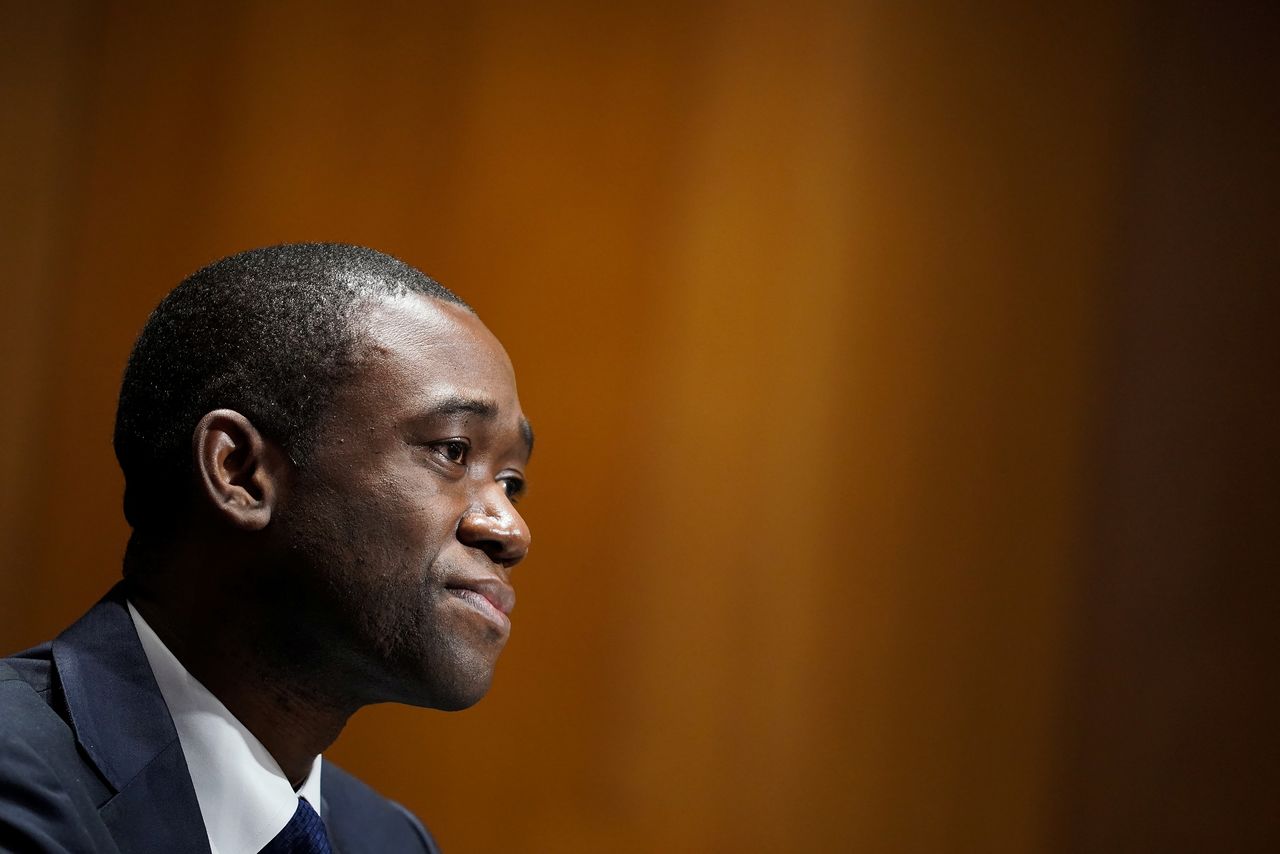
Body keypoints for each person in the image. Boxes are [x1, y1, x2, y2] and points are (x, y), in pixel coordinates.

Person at [0, 244, 534, 853]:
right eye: (453, 451)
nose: (510, 530)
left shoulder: (389, 840)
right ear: (241, 472)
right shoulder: (16, 777)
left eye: (512, 483)